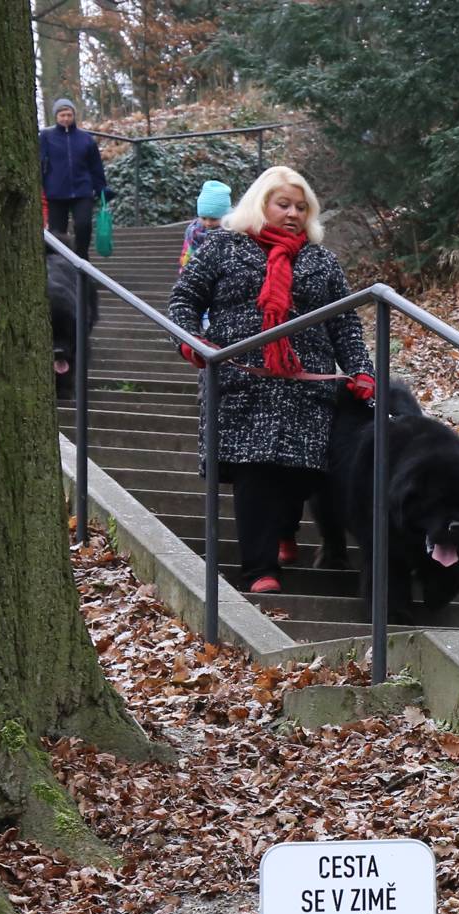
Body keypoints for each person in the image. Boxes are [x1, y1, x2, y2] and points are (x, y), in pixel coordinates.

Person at [167, 166, 374, 594]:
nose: (293, 213)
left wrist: (361, 370)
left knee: (299, 476)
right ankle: (259, 570)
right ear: (260, 204)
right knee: (256, 472)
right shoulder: (222, 247)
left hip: (307, 388)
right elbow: (184, 299)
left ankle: (284, 530)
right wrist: (191, 342)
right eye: (284, 204)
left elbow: (345, 324)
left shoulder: (321, 260)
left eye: (301, 207)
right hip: (241, 383)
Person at [39, 98, 108, 260]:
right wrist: (41, 185)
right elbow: (40, 162)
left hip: (82, 190)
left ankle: (82, 258)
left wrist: (101, 188)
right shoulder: (46, 137)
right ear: (56, 116)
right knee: (57, 232)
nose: (66, 118)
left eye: (69, 115)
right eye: (62, 115)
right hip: (56, 192)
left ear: (74, 115)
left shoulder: (86, 139)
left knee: (84, 225)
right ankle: (60, 261)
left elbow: (95, 166)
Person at [181, 179, 233, 271]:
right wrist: (185, 270)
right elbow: (187, 254)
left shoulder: (232, 231)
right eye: (203, 218)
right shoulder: (194, 231)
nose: (208, 223)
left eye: (214, 219)